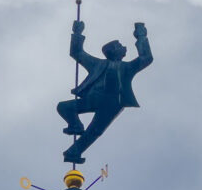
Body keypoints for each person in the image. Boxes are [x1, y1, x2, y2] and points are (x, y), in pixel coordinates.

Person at [57, 19, 153, 163]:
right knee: (64, 107)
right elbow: (77, 52)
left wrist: (141, 37)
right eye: (120, 46)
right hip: (95, 99)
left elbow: (146, 58)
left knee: (94, 130)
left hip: (113, 102)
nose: (124, 47)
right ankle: (75, 125)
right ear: (114, 51)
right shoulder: (97, 64)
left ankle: (73, 152)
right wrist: (77, 33)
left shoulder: (127, 68)